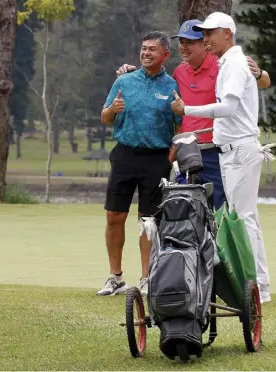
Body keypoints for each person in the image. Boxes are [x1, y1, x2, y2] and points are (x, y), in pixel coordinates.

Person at [170, 12, 272, 303]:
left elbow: (227, 108)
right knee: (248, 218)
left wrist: (187, 110)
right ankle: (260, 287)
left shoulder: (235, 64)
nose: (206, 39)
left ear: (227, 33)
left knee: (243, 220)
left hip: (238, 150)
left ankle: (251, 286)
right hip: (234, 150)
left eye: (210, 33)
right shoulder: (232, 62)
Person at [115, 19, 271, 210]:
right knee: (187, 210)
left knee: (219, 208)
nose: (184, 47)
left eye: (190, 42)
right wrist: (130, 72)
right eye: (181, 42)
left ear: (204, 44)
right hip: (187, 150)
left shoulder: (223, 64)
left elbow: (264, 81)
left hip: (214, 148)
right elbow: (156, 88)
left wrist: (259, 73)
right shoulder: (180, 72)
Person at [96, 31, 182, 297]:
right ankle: (115, 277)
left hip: (156, 158)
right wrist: (113, 110)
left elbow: (180, 127)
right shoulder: (124, 80)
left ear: (165, 55)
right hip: (125, 154)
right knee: (114, 216)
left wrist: (169, 158)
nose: (146, 53)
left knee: (149, 221)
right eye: (144, 49)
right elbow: (105, 118)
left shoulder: (171, 86)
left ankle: (147, 278)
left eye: (152, 50)